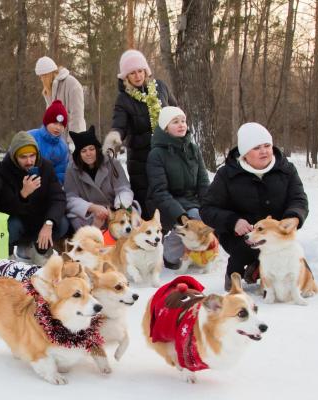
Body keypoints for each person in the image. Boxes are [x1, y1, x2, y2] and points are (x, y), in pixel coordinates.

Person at [201, 122, 309, 289]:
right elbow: (207, 209)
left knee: (301, 271)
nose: (264, 151)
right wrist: (233, 221)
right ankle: (236, 273)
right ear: (245, 153)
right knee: (246, 248)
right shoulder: (227, 174)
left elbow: (299, 199)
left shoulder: (286, 169)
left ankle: (260, 269)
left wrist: (293, 217)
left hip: (276, 233)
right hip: (240, 234)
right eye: (257, 147)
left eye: (267, 145)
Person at [103, 49, 178, 209]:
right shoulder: (123, 99)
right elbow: (119, 125)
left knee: (170, 199)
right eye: (132, 73)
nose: (137, 76)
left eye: (140, 71)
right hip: (140, 160)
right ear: (126, 77)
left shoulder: (161, 87)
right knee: (147, 204)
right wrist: (114, 138)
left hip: (168, 154)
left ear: (145, 71)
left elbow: (175, 111)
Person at [145, 106, 210, 268]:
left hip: (191, 202)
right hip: (165, 205)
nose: (181, 125)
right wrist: (181, 215)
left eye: (183, 121)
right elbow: (160, 192)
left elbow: (203, 182)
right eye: (175, 122)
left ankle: (200, 251)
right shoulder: (157, 154)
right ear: (165, 128)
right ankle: (169, 254)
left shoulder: (193, 149)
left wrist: (210, 205)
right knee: (195, 216)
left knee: (207, 214)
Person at [0, 130, 69, 260]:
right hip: (19, 221)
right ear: (15, 157)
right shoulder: (4, 170)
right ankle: (16, 249)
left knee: (62, 223)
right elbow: (3, 208)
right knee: (9, 227)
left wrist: (48, 223)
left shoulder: (46, 166)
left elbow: (58, 198)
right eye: (23, 157)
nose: (29, 161)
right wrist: (23, 194)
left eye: (32, 155)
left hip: (40, 220)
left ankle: (39, 247)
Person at [63, 126, 137, 231]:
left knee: (132, 213)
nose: (88, 153)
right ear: (78, 154)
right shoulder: (72, 169)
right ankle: (91, 238)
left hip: (114, 210)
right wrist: (92, 207)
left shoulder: (112, 163)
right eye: (83, 151)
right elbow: (70, 197)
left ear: (97, 149)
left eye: (91, 149)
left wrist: (121, 205)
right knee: (75, 218)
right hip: (90, 215)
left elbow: (123, 188)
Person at [34, 56, 85, 142]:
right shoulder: (49, 91)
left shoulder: (72, 84)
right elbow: (50, 119)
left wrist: (74, 141)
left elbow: (77, 116)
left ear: (48, 74)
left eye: (42, 76)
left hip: (73, 141)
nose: (41, 80)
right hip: (57, 142)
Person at [28, 100, 70, 184]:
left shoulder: (63, 147)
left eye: (61, 125)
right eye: (55, 123)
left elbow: (61, 172)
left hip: (49, 186)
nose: (58, 128)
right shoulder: (30, 137)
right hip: (26, 183)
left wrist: (53, 186)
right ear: (46, 122)